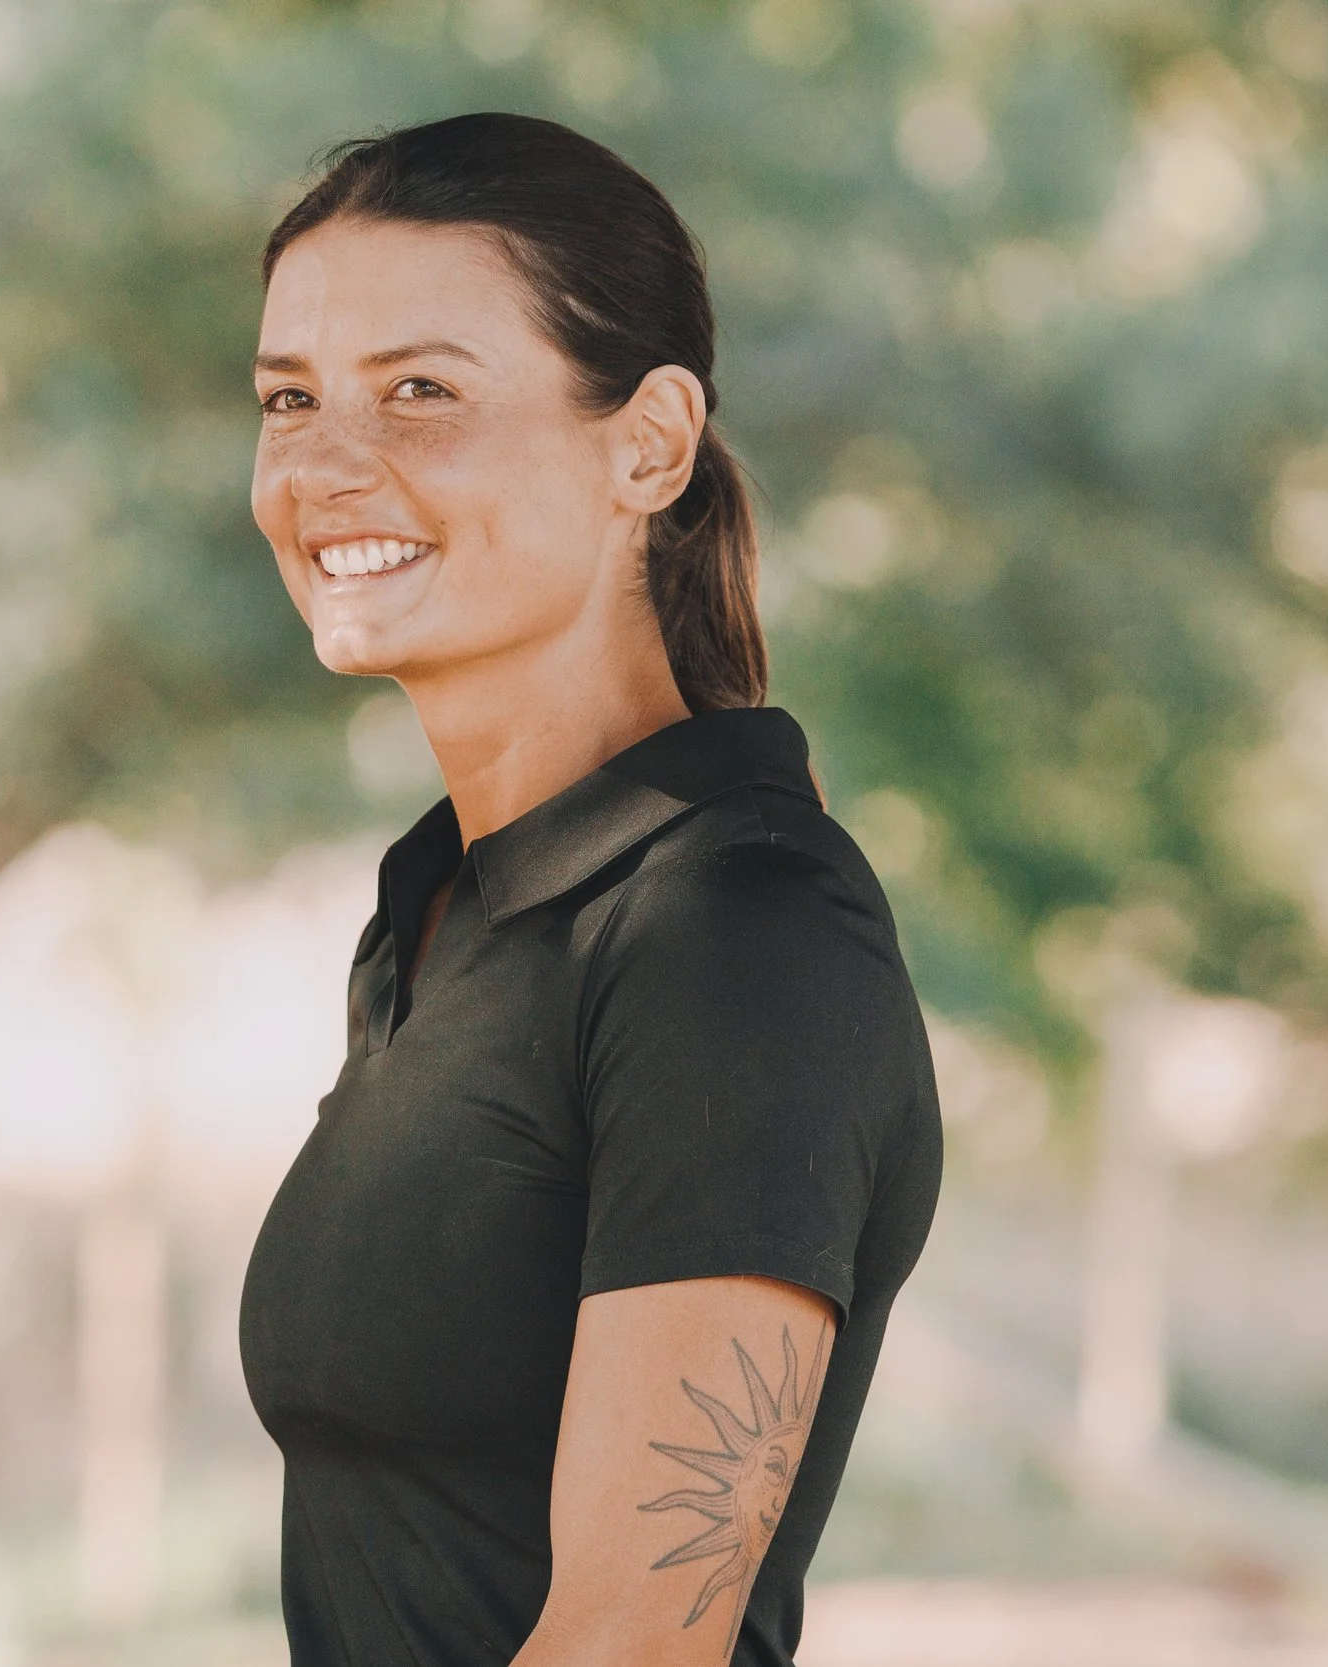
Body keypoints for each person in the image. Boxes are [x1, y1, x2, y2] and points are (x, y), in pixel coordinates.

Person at [237, 113, 943, 1667]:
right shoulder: (441, 914)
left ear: (650, 442)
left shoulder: (737, 935)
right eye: (289, 400)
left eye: (421, 391)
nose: (326, 467)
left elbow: (635, 1642)